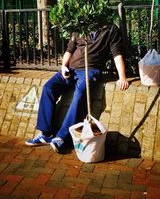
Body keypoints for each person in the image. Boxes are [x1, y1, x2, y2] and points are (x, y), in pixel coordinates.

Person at [25, 24, 129, 152]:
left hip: (90, 70)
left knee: (79, 94)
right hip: (71, 70)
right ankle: (46, 134)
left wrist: (122, 77)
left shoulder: (110, 29)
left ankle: (62, 137)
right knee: (48, 88)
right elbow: (70, 50)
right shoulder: (80, 25)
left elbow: (116, 54)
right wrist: (64, 66)